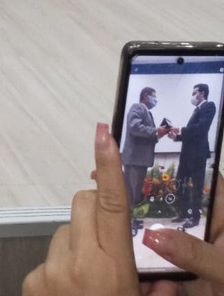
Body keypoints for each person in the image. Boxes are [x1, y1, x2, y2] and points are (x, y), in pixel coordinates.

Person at [23, 122, 224, 296]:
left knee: (133, 194)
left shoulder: (205, 108)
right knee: (134, 192)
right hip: (138, 158)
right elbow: (136, 128)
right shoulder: (139, 110)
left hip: (156, 157)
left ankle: (142, 220)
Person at [170, 84, 218, 231]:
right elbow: (191, 134)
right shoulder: (196, 110)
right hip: (186, 154)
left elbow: (201, 129)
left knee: (196, 187)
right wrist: (176, 137)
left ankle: (195, 218)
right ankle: (183, 213)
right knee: (181, 184)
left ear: (202, 93)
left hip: (197, 154)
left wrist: (180, 129)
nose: (192, 95)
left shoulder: (209, 106)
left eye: (194, 92)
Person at [122, 87, 171, 224]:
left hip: (140, 159)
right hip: (134, 159)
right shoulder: (137, 107)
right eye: (154, 96)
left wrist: (159, 134)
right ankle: (129, 221)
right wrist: (156, 130)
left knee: (136, 191)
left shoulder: (148, 113)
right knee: (131, 191)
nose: (155, 100)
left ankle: (133, 218)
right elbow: (134, 127)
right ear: (145, 96)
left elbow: (147, 135)